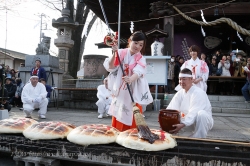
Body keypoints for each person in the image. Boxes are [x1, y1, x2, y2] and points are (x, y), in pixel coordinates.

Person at [103, 31, 153, 132]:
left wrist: (130, 79)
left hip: (133, 90)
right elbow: (111, 67)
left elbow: (138, 72)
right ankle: (117, 133)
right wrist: (115, 53)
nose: (137, 46)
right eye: (136, 43)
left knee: (132, 112)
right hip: (121, 89)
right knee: (119, 110)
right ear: (130, 41)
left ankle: (132, 134)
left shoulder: (141, 58)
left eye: (141, 45)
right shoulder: (121, 52)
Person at [167, 68, 213, 138]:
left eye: (184, 79)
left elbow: (194, 111)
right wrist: (165, 117)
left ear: (191, 79)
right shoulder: (180, 93)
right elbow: (172, 108)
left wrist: (183, 124)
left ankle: (200, 138)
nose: (181, 82)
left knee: (201, 114)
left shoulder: (198, 92)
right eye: (180, 79)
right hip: (187, 120)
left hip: (201, 121)